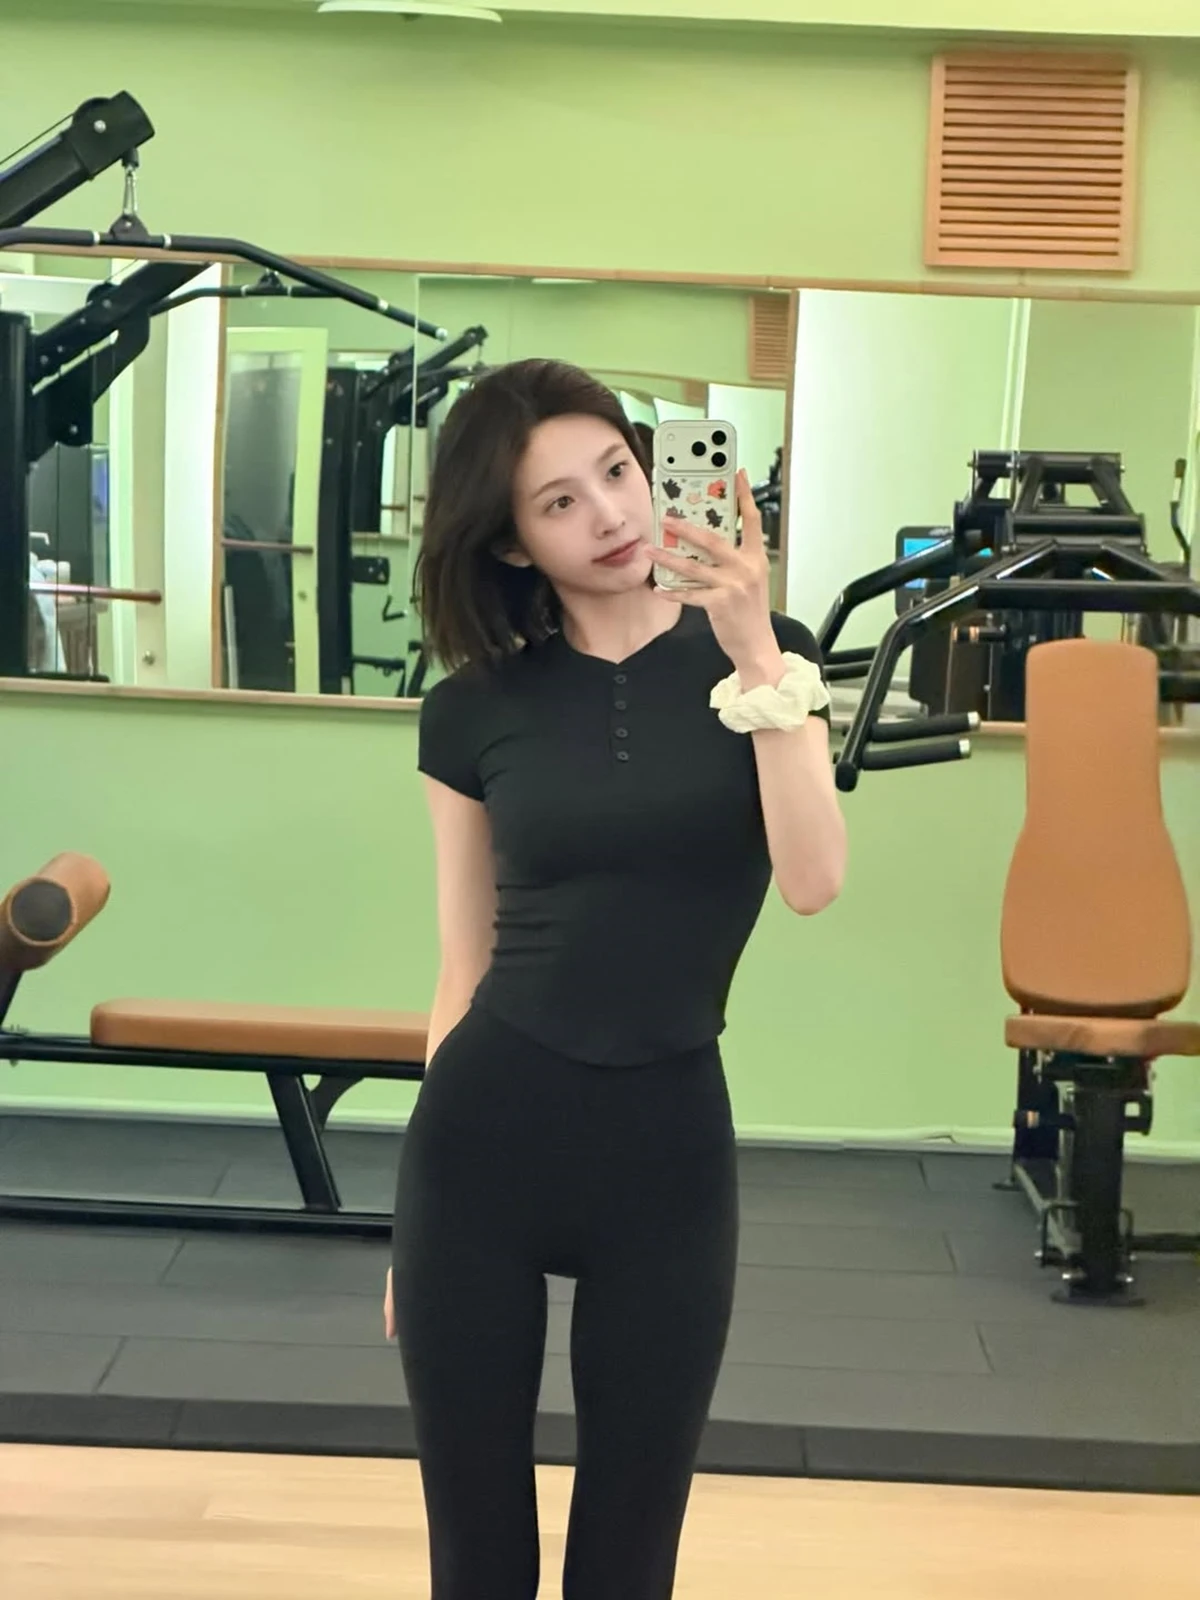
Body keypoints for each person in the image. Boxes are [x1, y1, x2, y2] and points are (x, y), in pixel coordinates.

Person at [383, 359, 847, 1600]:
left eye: (618, 472)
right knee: (478, 1562)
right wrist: (409, 1231)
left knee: (629, 1563)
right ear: (513, 543)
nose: (610, 513)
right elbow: (464, 960)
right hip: (479, 1149)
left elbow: (814, 878)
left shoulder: (774, 663)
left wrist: (753, 650)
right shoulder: (469, 710)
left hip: (667, 1152)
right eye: (560, 501)